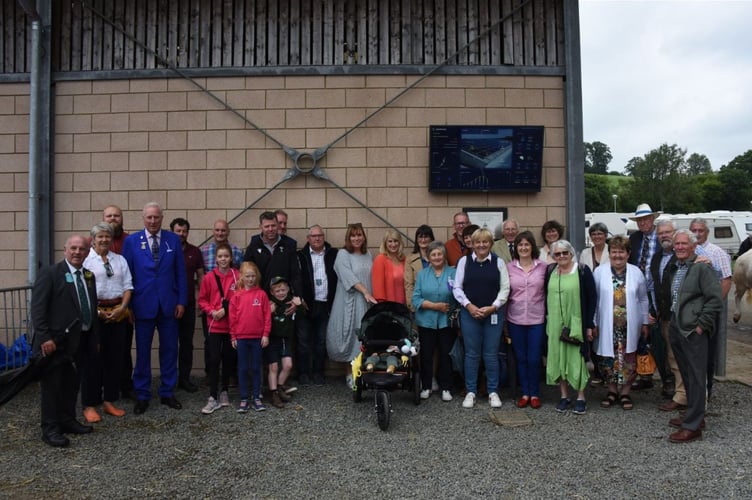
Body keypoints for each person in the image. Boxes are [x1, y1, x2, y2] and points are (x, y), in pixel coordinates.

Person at [31, 234, 98, 447]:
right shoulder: (50, 274)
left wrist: (94, 338)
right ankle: (50, 428)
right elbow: (38, 309)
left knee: (71, 384)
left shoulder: (88, 276)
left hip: (80, 340)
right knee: (52, 386)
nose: (77, 252)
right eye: (73, 248)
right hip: (54, 342)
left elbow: (91, 309)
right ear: (65, 250)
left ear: (88, 252)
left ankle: (67, 420)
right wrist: (44, 337)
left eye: (82, 249)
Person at [122, 202, 187, 414]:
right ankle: (142, 394)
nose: (152, 221)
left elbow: (181, 273)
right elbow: (127, 276)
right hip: (142, 305)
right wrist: (128, 305)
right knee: (142, 352)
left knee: (169, 350)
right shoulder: (131, 242)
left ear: (161, 218)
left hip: (169, 305)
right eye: (149, 217)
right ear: (143, 218)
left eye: (156, 217)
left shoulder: (173, 240)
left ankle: (167, 392)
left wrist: (181, 301)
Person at [665, 230, 722, 443]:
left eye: (683, 244)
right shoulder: (679, 267)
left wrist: (701, 325)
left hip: (693, 330)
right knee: (687, 374)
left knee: (698, 377)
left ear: (693, 246)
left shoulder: (702, 267)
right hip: (678, 327)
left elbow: (715, 300)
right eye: (676, 244)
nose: (679, 247)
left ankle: (693, 426)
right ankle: (693, 416)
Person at [453, 228, 510, 409]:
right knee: (471, 354)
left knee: (491, 354)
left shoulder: (499, 263)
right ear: (473, 244)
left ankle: (493, 391)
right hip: (470, 314)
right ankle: (471, 391)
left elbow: (505, 288)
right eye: (478, 242)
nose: (481, 245)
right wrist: (469, 306)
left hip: (493, 313)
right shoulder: (464, 262)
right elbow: (457, 288)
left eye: (485, 242)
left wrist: (493, 307)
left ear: (490, 244)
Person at [82, 223, 133, 422]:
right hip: (96, 315)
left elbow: (128, 286)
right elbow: (83, 290)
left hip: (118, 313)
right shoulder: (86, 261)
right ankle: (89, 404)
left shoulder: (119, 260)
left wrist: (123, 307)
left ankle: (109, 400)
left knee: (114, 359)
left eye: (107, 236)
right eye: (100, 236)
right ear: (93, 239)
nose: (104, 239)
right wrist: (96, 313)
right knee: (93, 360)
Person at [593, 236, 649, 411]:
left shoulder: (636, 273)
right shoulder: (599, 272)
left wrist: (645, 322)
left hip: (629, 325)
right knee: (607, 359)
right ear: (609, 254)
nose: (617, 255)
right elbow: (594, 300)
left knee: (629, 359)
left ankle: (625, 392)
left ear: (628, 253)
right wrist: (593, 322)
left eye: (621, 251)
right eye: (614, 251)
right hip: (607, 325)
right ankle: (611, 391)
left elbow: (643, 299)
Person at [544, 240, 596, 415]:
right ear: (553, 256)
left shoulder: (582, 271)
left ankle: (581, 396)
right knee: (558, 357)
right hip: (555, 323)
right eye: (557, 254)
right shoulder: (550, 271)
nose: (561, 256)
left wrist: (589, 325)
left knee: (577, 359)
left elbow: (591, 298)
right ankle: (564, 395)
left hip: (575, 323)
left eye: (565, 253)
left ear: (571, 253)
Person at [326, 223, 377, 387]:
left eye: (359, 235)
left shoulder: (368, 254)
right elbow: (348, 277)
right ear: (348, 238)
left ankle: (362, 370)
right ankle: (349, 372)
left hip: (366, 302)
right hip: (348, 302)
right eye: (353, 235)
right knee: (349, 336)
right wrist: (365, 292)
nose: (356, 238)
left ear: (364, 237)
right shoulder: (342, 254)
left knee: (362, 337)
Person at [689, 217, 732, 399]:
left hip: (707, 311)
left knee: (707, 352)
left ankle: (706, 390)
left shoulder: (717, 252)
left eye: (701, 230)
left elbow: (726, 281)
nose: (697, 234)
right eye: (694, 230)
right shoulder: (689, 251)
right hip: (690, 310)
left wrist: (713, 306)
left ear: (707, 232)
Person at [505, 231, 547, 409]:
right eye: (520, 245)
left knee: (534, 358)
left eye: (526, 244)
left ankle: (535, 393)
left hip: (537, 319)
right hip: (515, 319)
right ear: (516, 248)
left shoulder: (543, 267)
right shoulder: (508, 267)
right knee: (521, 357)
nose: (523, 248)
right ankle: (525, 393)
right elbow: (505, 294)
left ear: (532, 247)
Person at [412, 241, 457, 402]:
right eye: (433, 254)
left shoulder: (453, 272)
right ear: (429, 257)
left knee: (446, 354)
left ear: (444, 256)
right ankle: (426, 386)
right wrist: (434, 306)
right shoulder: (422, 275)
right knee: (426, 355)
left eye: (439, 254)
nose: (437, 257)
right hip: (426, 321)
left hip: (447, 321)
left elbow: (459, 296)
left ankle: (446, 387)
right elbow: (416, 299)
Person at [198, 243, 239, 414]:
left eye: (226, 256)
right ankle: (212, 395)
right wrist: (211, 311)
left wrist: (226, 309)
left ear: (231, 258)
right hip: (214, 325)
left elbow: (240, 297)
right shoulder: (208, 277)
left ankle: (224, 392)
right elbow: (202, 299)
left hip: (231, 325)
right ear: (216, 258)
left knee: (229, 358)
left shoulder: (237, 276)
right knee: (214, 360)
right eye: (220, 256)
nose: (223, 259)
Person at [650, 220, 686, 411]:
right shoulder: (656, 258)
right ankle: (681, 395)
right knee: (672, 356)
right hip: (665, 317)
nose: (664, 235)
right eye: (660, 233)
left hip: (684, 317)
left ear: (675, 233)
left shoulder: (684, 255)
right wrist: (654, 309)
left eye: (667, 232)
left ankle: (689, 396)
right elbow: (653, 285)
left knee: (685, 357)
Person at [297, 225, 338, 385]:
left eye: (319, 235)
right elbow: (296, 278)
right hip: (306, 304)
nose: (317, 238)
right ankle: (303, 373)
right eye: (313, 236)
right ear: (308, 239)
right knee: (303, 341)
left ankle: (319, 372)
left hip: (325, 304)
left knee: (321, 341)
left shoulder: (333, 254)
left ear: (323, 236)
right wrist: (299, 298)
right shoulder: (300, 255)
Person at [627, 203, 661, 391]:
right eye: (639, 220)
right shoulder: (634, 239)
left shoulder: (664, 237)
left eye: (645, 219)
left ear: (652, 219)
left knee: (657, 335)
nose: (642, 223)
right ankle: (645, 375)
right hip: (638, 291)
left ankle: (666, 377)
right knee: (641, 333)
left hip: (657, 292)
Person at [229, 261, 271, 413]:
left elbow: (267, 316)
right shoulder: (237, 296)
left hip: (257, 338)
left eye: (253, 276)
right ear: (242, 277)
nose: (251, 279)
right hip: (241, 338)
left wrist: (265, 334)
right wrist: (233, 336)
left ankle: (256, 396)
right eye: (247, 276)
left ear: (257, 277)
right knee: (243, 367)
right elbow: (232, 318)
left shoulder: (261, 295)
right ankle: (244, 398)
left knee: (255, 367)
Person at [170, 217, 205, 393]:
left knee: (186, 344)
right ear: (172, 232)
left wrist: (201, 301)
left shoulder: (194, 251)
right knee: (169, 344)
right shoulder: (165, 250)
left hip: (189, 304)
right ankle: (168, 380)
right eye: (178, 231)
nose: (181, 234)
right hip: (169, 305)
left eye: (184, 231)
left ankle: (184, 379)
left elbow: (201, 276)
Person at [243, 211, 303, 296]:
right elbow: (246, 274)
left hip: (283, 298)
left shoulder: (289, 246)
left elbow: (295, 274)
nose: (270, 229)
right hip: (260, 298)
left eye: (273, 225)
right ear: (260, 227)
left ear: (277, 226)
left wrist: (297, 297)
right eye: (267, 226)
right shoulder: (253, 247)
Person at [266, 276, 302, 407]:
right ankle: (273, 393)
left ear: (287, 289)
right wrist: (269, 313)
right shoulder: (269, 304)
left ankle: (280, 387)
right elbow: (261, 321)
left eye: (283, 290)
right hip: (272, 339)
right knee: (273, 367)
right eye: (277, 291)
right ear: (272, 292)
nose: (281, 293)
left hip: (285, 339)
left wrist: (299, 304)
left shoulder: (291, 303)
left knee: (288, 365)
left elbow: (302, 315)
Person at [404, 225, 435, 311]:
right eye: (420, 237)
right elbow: (408, 285)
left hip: (437, 303)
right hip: (418, 304)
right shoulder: (410, 258)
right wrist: (412, 305)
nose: (423, 240)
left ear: (431, 239)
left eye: (426, 237)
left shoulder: (439, 256)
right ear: (416, 239)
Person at [371, 229, 407, 304]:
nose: (393, 244)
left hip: (403, 305)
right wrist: (382, 305)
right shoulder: (380, 259)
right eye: (390, 241)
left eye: (396, 241)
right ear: (385, 243)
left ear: (400, 243)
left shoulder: (404, 259)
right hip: (388, 306)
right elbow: (378, 289)